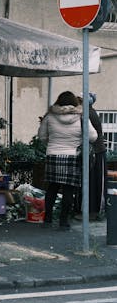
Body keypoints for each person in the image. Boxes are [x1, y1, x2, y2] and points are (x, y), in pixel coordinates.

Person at [37, 90, 97, 230]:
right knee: (69, 190)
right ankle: (64, 222)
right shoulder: (82, 117)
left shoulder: (50, 116)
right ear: (75, 103)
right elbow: (93, 137)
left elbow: (42, 136)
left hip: (53, 155)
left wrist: (51, 144)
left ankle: (48, 219)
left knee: (52, 188)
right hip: (72, 156)